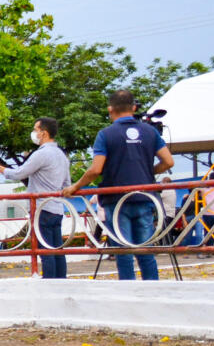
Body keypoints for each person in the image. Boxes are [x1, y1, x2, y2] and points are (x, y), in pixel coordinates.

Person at [66, 89, 174, 280]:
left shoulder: (105, 135)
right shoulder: (150, 131)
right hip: (144, 196)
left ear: (110, 109)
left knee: (123, 252)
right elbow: (168, 162)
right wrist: (148, 172)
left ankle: (128, 288)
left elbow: (96, 169)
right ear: (134, 108)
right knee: (145, 251)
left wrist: (75, 186)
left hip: (116, 201)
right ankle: (153, 287)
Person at [0, 117, 71, 279]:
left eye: (35, 130)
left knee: (45, 250)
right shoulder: (61, 155)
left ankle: (50, 282)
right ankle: (61, 281)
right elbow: (67, 183)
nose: (33, 133)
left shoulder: (41, 154)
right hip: (57, 207)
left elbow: (20, 173)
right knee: (57, 250)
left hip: (41, 207)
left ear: (43, 133)